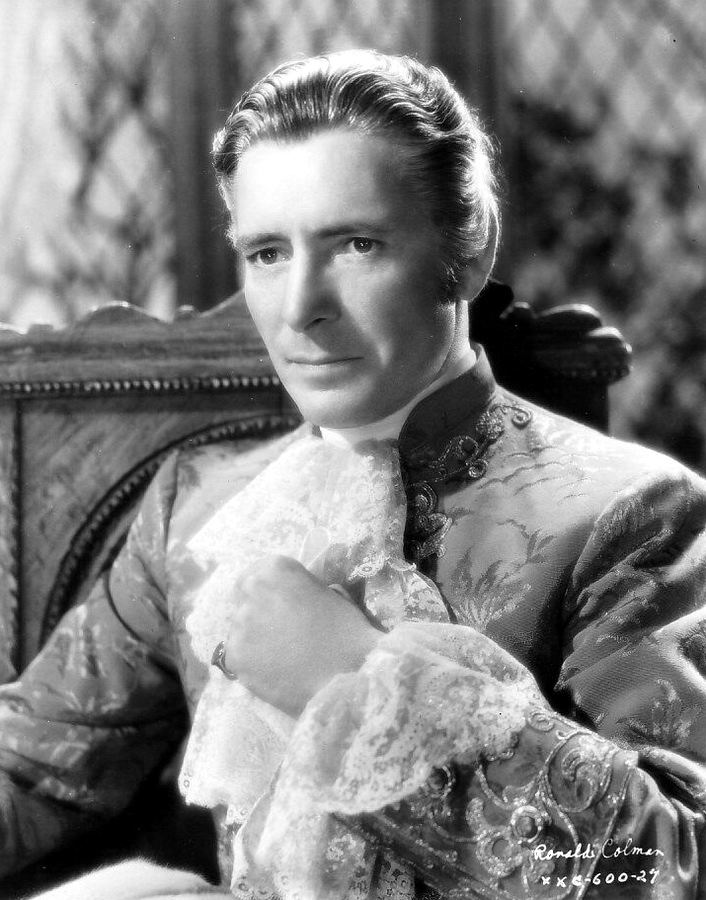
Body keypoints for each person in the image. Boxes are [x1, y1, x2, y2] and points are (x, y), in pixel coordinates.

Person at [1, 49, 706, 900]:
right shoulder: (198, 509)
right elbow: (33, 770)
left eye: (357, 244)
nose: (301, 309)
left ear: (468, 253)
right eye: (267, 253)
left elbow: (673, 867)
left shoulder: (632, 512)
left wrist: (352, 675)